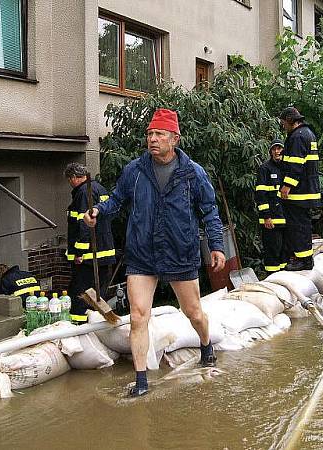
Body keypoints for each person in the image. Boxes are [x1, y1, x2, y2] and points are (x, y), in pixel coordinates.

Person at [84, 108, 225, 397]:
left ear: (175, 138)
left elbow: (209, 210)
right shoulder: (135, 170)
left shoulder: (192, 173)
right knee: (138, 316)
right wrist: (98, 210)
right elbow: (117, 199)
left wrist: (216, 245)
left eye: (159, 134)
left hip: (179, 251)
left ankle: (206, 345)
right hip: (142, 254)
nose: (152, 139)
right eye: (150, 134)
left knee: (193, 312)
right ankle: (141, 381)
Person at [65, 162, 116, 322]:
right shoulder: (99, 188)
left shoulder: (83, 193)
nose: (70, 184)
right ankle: (96, 326)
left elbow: (84, 225)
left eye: (69, 180)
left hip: (89, 256)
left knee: (81, 294)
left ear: (74, 177)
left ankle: (79, 327)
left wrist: (78, 253)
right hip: (104, 251)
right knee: (97, 294)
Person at [278, 107, 321, 271]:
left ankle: (303, 260)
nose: (283, 126)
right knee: (302, 225)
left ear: (290, 120)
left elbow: (295, 164)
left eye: (283, 123)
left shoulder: (297, 137)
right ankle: (304, 258)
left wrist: (287, 185)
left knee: (298, 226)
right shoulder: (307, 134)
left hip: (300, 192)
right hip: (307, 190)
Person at [255, 139, 287, 273]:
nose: (277, 151)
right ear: (270, 152)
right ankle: (272, 278)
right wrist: (266, 216)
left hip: (285, 218)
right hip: (271, 220)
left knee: (284, 251)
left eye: (279, 148)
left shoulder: (287, 168)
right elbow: (260, 195)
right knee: (272, 251)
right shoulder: (265, 168)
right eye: (274, 149)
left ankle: (283, 278)